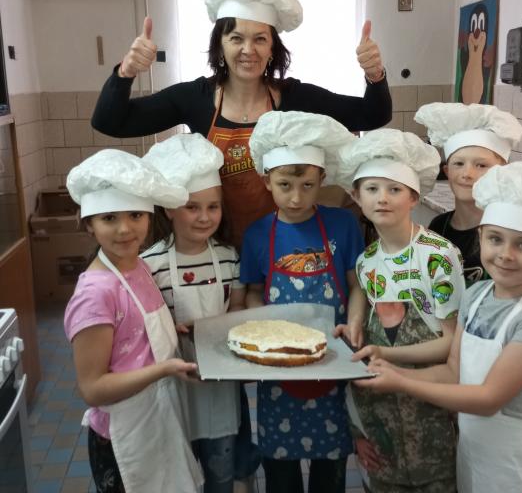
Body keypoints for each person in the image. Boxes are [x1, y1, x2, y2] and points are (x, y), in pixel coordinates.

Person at [91, 0, 392, 249]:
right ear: (220, 46)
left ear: (272, 48)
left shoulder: (295, 99)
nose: (248, 50)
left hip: (282, 248)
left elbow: (373, 114)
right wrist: (126, 72)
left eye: (260, 39)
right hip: (216, 248)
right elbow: (110, 122)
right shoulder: (195, 98)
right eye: (236, 38)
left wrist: (374, 74)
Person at [355, 156, 522, 493]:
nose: (506, 254)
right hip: (474, 454)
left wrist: (400, 381)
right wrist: (390, 367)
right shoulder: (476, 295)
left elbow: (488, 399)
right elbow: (453, 371)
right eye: (495, 239)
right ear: (480, 238)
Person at [63, 149, 204, 493]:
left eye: (136, 215)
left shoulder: (137, 265)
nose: (125, 229)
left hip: (157, 417)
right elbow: (92, 388)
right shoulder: (96, 294)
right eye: (109, 218)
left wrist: (171, 329)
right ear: (88, 223)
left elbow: (136, 331)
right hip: (121, 436)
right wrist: (164, 368)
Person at [240, 111, 365, 493]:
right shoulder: (257, 234)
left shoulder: (343, 225)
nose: (296, 197)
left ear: (322, 179)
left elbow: (357, 285)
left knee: (331, 474)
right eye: (285, 185)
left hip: (333, 359)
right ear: (266, 180)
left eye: (308, 185)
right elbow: (254, 290)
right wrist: (261, 325)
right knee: (281, 475)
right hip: (280, 366)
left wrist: (355, 323)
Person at [334, 128, 465, 493]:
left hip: (433, 422)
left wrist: (384, 354)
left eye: (395, 189)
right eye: (372, 188)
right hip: (382, 430)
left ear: (414, 197)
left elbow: (451, 344)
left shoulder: (438, 256)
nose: (382, 198)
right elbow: (364, 301)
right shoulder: (366, 262)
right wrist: (359, 431)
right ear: (356, 196)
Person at [141, 133, 247, 493]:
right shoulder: (149, 264)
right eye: (192, 207)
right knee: (179, 475)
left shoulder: (229, 258)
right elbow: (146, 325)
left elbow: (236, 309)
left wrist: (221, 329)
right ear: (169, 208)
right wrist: (173, 327)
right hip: (172, 380)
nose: (204, 217)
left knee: (221, 474)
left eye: (213, 207)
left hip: (220, 381)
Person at [415, 102, 522, 287]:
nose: (467, 174)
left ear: (502, 172)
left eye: (481, 165)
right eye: (459, 164)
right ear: (447, 171)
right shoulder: (438, 227)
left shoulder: (510, 234)